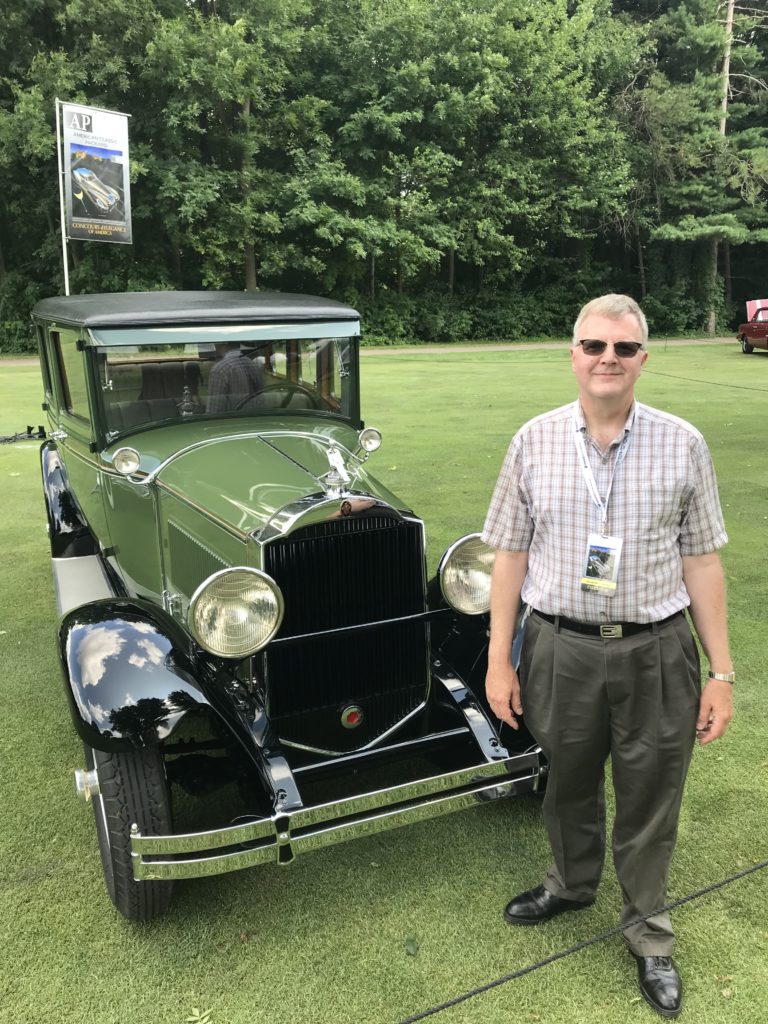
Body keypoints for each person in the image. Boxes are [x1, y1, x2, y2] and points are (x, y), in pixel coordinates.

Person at [482, 294, 734, 1019]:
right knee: (565, 777)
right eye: (594, 346)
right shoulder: (533, 440)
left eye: (623, 349)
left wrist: (721, 672)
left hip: (656, 650)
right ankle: (570, 882)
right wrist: (500, 658)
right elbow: (510, 557)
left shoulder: (682, 443)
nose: (607, 359)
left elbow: (703, 564)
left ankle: (649, 933)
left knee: (652, 788)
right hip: (559, 647)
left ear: (643, 360)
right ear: (573, 353)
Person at [206, 342, 262, 412]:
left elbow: (214, 411)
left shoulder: (220, 369)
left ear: (223, 342)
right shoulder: (253, 364)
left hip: (233, 420)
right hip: (258, 418)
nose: (214, 344)